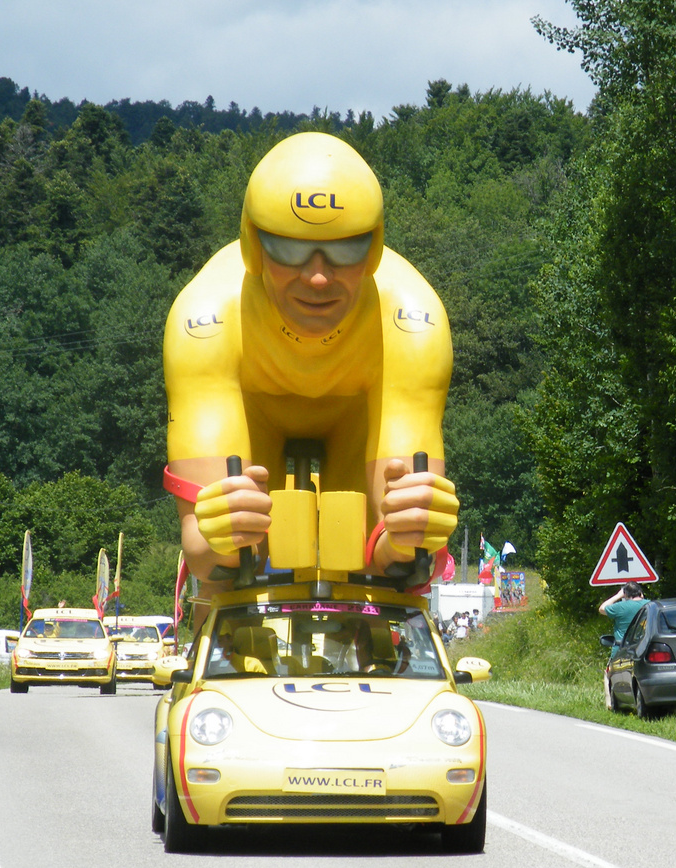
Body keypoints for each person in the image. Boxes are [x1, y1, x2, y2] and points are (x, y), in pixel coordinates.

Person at [161, 132, 459, 593]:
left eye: (345, 250)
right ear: (252, 246)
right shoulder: (204, 322)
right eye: (289, 249)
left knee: (384, 569)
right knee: (232, 560)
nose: (317, 276)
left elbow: (402, 558)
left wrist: (406, 538)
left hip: (360, 409)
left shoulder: (413, 324)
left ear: (374, 249)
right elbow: (205, 553)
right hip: (252, 404)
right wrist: (221, 540)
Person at [599, 583, 647, 657]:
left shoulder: (620, 607)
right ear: (640, 592)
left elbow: (602, 609)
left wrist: (618, 596)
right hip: (644, 650)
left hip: (621, 651)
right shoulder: (650, 605)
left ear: (625, 594)